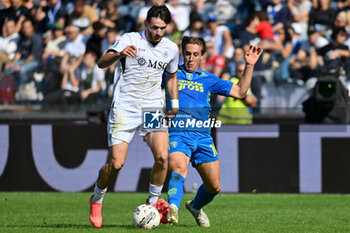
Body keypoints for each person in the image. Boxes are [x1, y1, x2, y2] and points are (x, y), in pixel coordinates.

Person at [89, 5, 180, 228]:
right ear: (146, 24)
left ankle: (153, 204)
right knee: (116, 163)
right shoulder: (130, 39)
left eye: (163, 28)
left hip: (151, 109)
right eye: (155, 27)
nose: (159, 33)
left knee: (162, 158)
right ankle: (97, 198)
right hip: (125, 108)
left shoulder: (170, 48)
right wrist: (119, 53)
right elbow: (102, 63)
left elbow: (171, 77)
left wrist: (174, 103)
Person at [166, 36, 262, 227]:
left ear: (203, 56)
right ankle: (172, 209)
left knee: (214, 186)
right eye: (187, 54)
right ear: (182, 54)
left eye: (195, 54)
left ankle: (195, 206)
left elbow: (241, 92)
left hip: (202, 137)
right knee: (178, 169)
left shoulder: (209, 79)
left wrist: (249, 65)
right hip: (178, 133)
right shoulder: (171, 74)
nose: (190, 58)